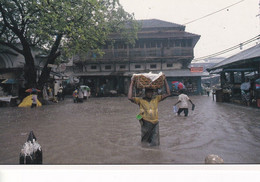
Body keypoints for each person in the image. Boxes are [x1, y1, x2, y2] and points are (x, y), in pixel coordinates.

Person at [128, 75, 171, 146]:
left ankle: (153, 154)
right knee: (145, 141)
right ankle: (144, 153)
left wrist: (165, 80)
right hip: (145, 122)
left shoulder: (156, 99)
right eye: (149, 92)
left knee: (155, 143)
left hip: (155, 123)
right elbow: (129, 97)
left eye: (152, 92)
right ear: (145, 93)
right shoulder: (140, 100)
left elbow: (168, 94)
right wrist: (132, 82)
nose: (150, 94)